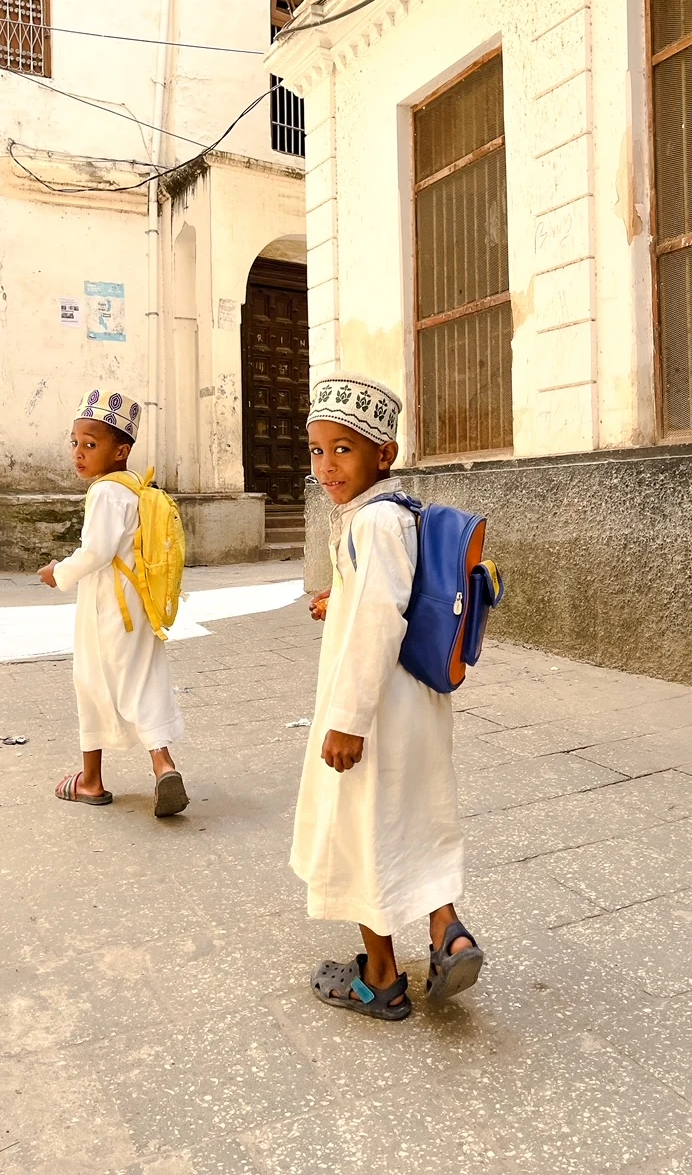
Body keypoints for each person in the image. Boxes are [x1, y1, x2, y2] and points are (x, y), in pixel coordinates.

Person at [291, 374, 483, 1021]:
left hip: (374, 711)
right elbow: (380, 599)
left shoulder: (372, 523)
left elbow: (377, 620)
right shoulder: (399, 513)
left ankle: (380, 977)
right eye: (316, 450)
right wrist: (335, 600)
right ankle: (446, 931)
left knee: (361, 830)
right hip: (415, 705)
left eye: (343, 449)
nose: (326, 466)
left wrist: (346, 722)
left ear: (384, 453)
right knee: (413, 819)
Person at [38, 388, 189, 818]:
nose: (79, 454)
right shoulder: (137, 488)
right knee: (143, 682)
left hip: (107, 609)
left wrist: (58, 572)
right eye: (74, 443)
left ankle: (91, 781)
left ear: (121, 450)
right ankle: (163, 766)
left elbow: (96, 553)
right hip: (139, 605)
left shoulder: (105, 492)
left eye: (90, 444)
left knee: (90, 682)